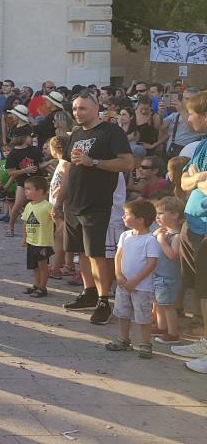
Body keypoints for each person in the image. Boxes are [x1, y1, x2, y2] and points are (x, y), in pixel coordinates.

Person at [59, 90, 134, 326]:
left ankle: (104, 300)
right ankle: (89, 291)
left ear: (95, 108)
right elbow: (69, 169)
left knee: (97, 253)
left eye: (82, 108)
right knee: (80, 250)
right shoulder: (76, 134)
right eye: (74, 109)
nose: (77, 113)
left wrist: (96, 162)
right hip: (74, 202)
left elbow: (127, 163)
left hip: (98, 202)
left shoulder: (112, 131)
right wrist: (60, 199)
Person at [174, 90, 207, 373]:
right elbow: (184, 181)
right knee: (198, 287)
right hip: (193, 224)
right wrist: (198, 177)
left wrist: (195, 179)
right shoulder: (200, 145)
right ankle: (204, 340)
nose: (188, 119)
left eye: (192, 114)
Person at [105, 199, 160, 359]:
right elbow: (118, 256)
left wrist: (135, 281)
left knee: (143, 316)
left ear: (140, 220)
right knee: (123, 313)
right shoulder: (125, 235)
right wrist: (119, 275)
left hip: (141, 287)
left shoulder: (150, 240)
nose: (123, 217)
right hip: (123, 285)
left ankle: (145, 344)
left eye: (127, 215)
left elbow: (151, 264)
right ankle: (123, 339)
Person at [153, 196, 184, 344]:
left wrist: (161, 240)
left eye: (160, 213)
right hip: (158, 274)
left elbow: (173, 255)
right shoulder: (163, 232)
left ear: (174, 214)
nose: (157, 216)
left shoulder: (176, 236)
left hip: (169, 277)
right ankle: (161, 326)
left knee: (168, 306)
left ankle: (173, 333)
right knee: (158, 303)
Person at [46, 135, 76, 280]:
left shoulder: (65, 163)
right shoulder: (61, 162)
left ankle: (56, 268)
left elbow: (65, 182)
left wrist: (57, 200)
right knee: (65, 236)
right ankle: (68, 265)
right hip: (58, 203)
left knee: (60, 235)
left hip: (62, 204)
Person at [20, 176, 54, 298]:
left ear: (39, 191)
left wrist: (58, 231)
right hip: (31, 241)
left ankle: (43, 287)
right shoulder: (29, 205)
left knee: (42, 266)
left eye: (29, 189)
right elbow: (25, 221)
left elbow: (58, 220)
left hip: (42, 242)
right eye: (25, 189)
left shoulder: (48, 206)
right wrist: (24, 237)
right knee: (34, 266)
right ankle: (36, 284)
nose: (26, 192)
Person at [5, 129, 43, 238]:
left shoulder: (34, 150)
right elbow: (10, 172)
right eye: (29, 136)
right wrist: (26, 170)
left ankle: (39, 229)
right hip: (23, 182)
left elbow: (40, 164)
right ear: (24, 138)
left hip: (37, 180)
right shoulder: (13, 154)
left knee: (40, 205)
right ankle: (10, 226)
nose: (31, 138)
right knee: (18, 203)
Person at [162, 88, 204, 160]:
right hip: (171, 151)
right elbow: (160, 126)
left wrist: (182, 110)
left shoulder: (200, 115)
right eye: (185, 98)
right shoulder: (176, 114)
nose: (187, 101)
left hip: (187, 153)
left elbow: (193, 128)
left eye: (191, 99)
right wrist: (160, 113)